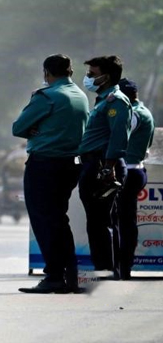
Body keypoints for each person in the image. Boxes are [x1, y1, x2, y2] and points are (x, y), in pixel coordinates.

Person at [12, 54, 89, 294]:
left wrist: (38, 129)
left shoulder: (47, 96)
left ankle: (54, 276)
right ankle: (70, 275)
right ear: (71, 72)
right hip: (72, 163)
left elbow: (18, 128)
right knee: (58, 219)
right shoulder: (80, 96)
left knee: (44, 220)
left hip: (45, 163)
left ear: (47, 73)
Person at [78, 55, 132, 276]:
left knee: (100, 221)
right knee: (98, 220)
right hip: (95, 162)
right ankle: (107, 268)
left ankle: (106, 270)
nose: (88, 78)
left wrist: (108, 168)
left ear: (106, 77)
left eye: (92, 74)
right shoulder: (102, 100)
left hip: (103, 164)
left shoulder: (115, 101)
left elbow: (119, 136)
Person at [114, 78, 154, 280]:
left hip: (127, 171)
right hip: (135, 169)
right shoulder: (144, 111)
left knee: (124, 222)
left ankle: (123, 268)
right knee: (123, 220)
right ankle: (122, 267)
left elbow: (118, 136)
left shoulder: (134, 114)